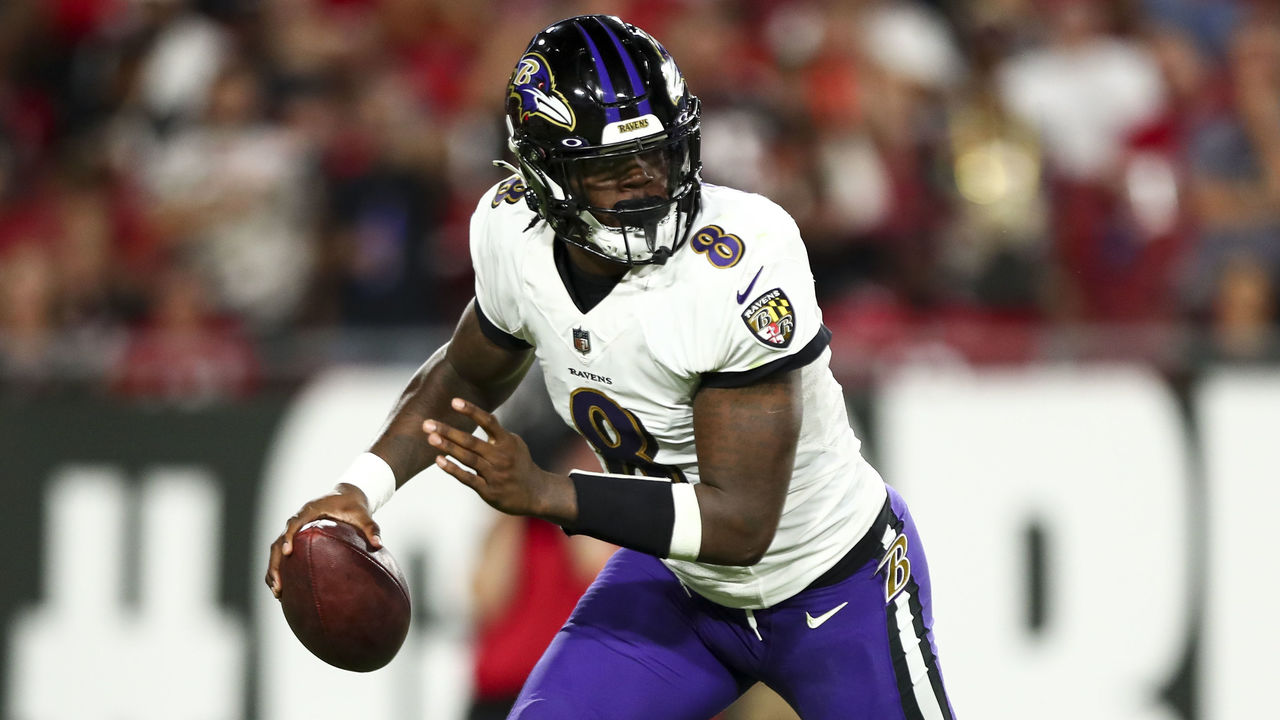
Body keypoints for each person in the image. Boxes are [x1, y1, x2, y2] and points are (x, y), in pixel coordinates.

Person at [266, 15, 955, 720]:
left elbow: (741, 523)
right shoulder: (513, 233)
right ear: (545, 175)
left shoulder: (743, 259)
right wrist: (359, 489)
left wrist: (548, 492)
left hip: (831, 584)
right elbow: (469, 372)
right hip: (682, 584)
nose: (645, 184)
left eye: (657, 156)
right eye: (609, 168)